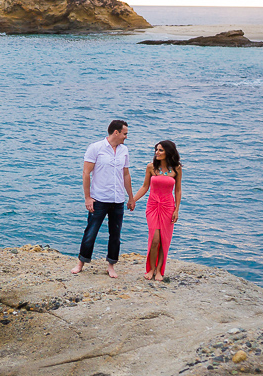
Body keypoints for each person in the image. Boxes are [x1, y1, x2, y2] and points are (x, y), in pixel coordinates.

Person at [72, 119, 135, 278]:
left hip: (118, 199)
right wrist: (87, 198)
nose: (126, 137)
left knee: (115, 234)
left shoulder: (124, 150)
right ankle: (81, 263)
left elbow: (126, 174)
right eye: (125, 133)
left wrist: (131, 197)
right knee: (91, 232)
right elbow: (86, 173)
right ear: (116, 132)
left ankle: (111, 265)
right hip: (99, 198)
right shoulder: (96, 148)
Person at [131, 140, 182, 281]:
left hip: (168, 206)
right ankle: (151, 268)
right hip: (153, 205)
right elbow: (144, 187)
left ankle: (159, 269)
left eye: (160, 150)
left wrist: (177, 210)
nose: (157, 153)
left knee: (164, 239)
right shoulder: (151, 167)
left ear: (168, 152)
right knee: (155, 239)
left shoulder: (176, 168)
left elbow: (178, 190)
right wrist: (133, 200)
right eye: (156, 150)